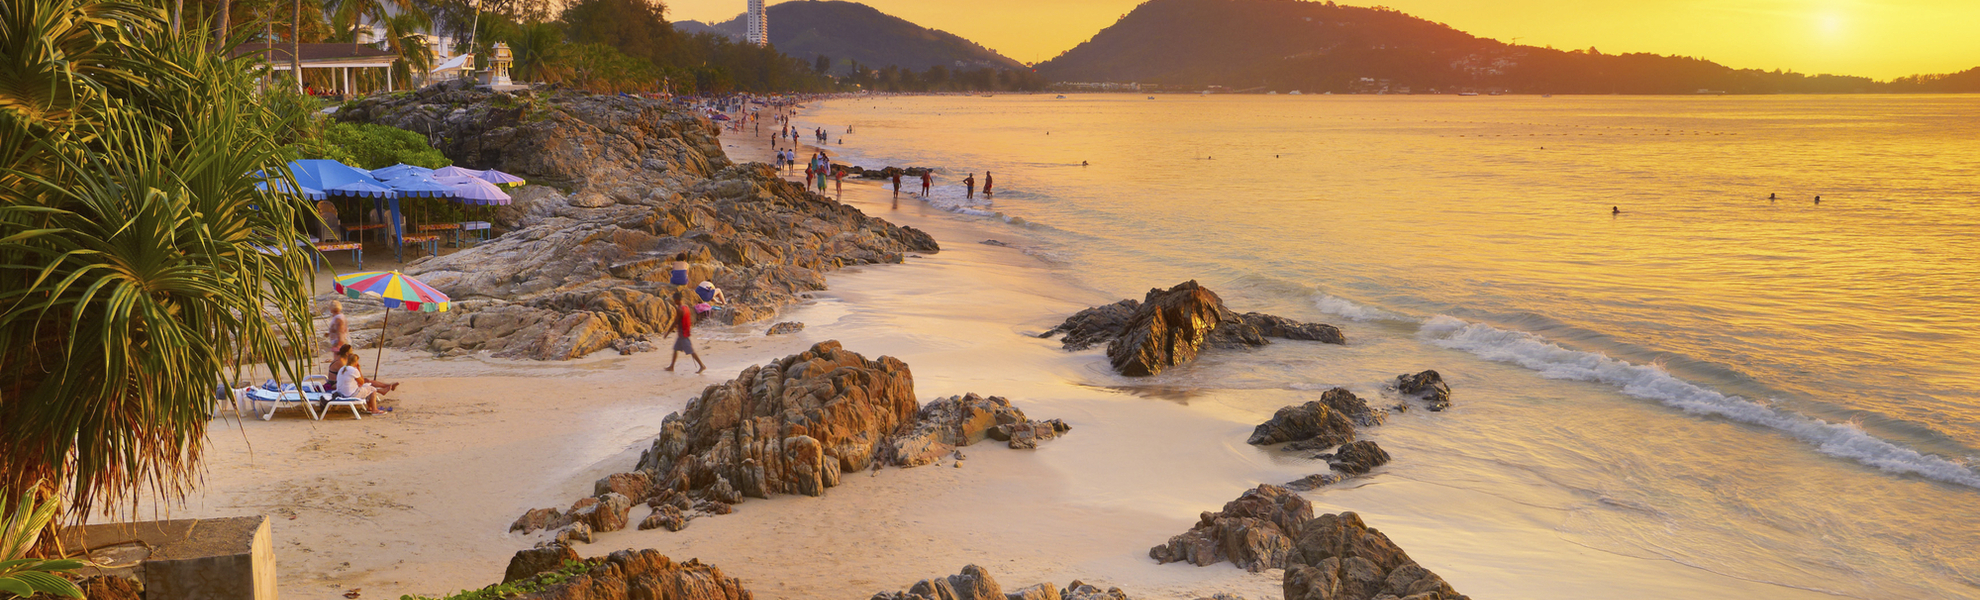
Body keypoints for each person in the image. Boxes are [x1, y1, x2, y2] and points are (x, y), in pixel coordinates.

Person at [336, 350, 396, 415]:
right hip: (350, 394)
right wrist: (359, 369)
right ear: (356, 362)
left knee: (367, 387)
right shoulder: (353, 370)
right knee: (372, 389)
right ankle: (375, 410)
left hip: (341, 393)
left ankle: (370, 407)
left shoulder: (342, 369)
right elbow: (362, 382)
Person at [664, 289, 706, 373]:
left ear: (676, 300)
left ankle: (702, 365)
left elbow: (675, 323)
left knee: (691, 351)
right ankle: (671, 366)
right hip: (684, 332)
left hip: (683, 334)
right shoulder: (686, 307)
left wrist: (667, 332)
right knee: (675, 349)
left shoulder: (680, 310)